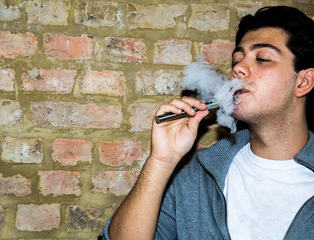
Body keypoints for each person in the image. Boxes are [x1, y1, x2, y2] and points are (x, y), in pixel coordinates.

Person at [99, 6, 314, 239]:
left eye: (262, 58)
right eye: (237, 60)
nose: (238, 68)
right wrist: (161, 160)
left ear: (303, 82)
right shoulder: (196, 174)